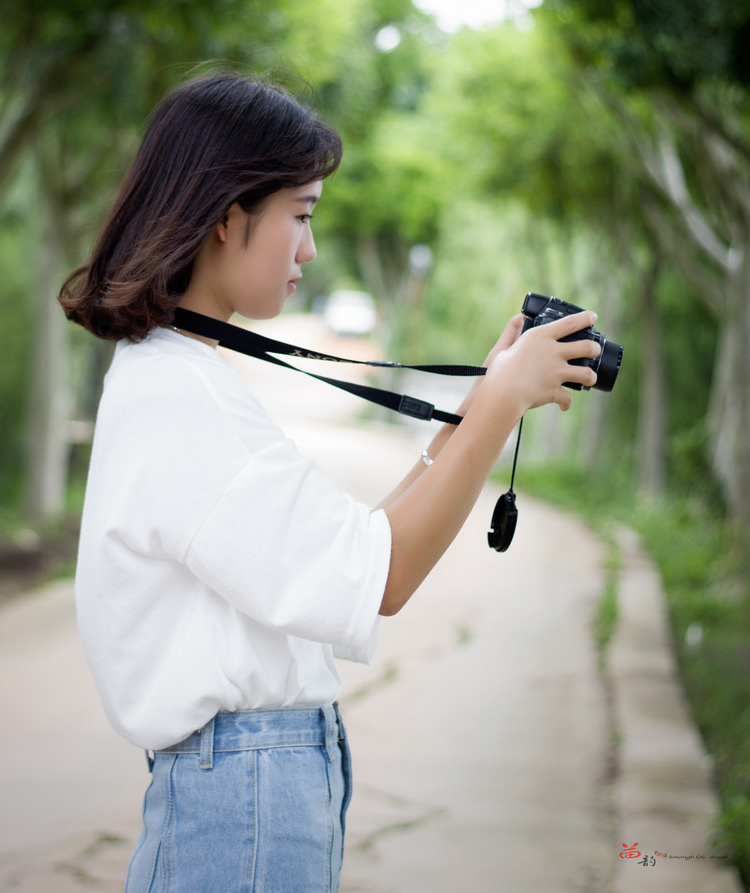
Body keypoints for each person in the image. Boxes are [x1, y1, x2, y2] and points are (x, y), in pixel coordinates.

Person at [59, 68, 600, 893]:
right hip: (244, 800)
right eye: (300, 216)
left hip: (252, 791)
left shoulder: (178, 377)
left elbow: (356, 551)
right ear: (226, 217)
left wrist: (481, 403)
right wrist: (498, 404)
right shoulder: (182, 394)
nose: (309, 249)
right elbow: (384, 579)